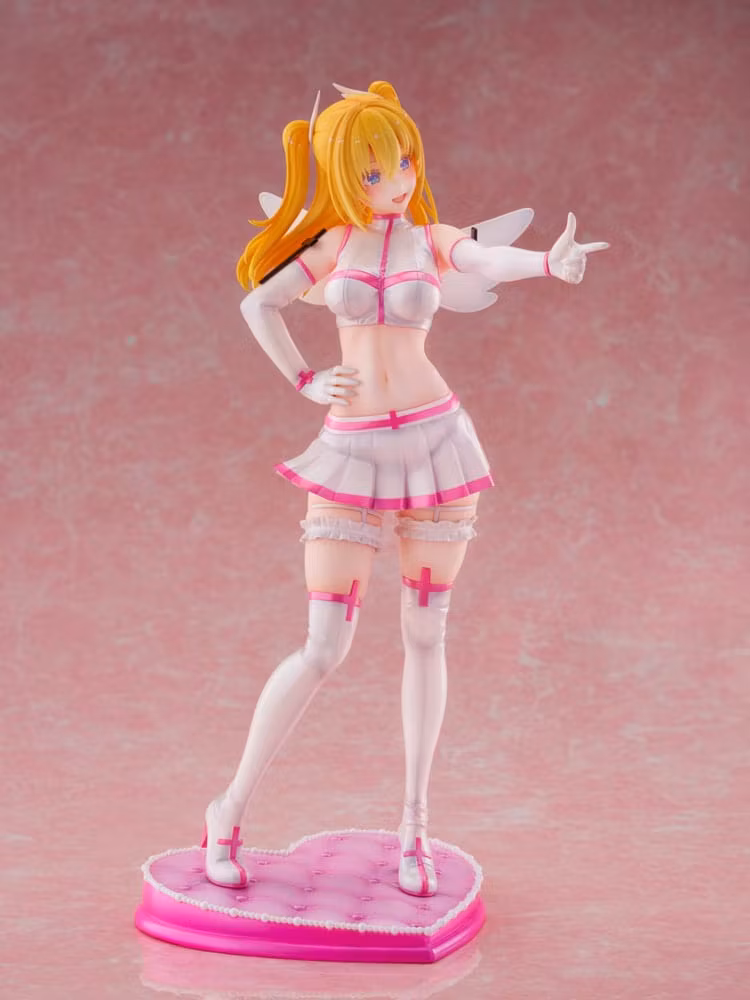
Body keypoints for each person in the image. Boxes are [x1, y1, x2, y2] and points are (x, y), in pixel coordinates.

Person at [203, 80, 608, 897]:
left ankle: (414, 828)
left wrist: (547, 263)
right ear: (344, 175)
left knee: (426, 634)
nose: (395, 178)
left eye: (403, 161)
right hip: (350, 454)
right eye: (374, 168)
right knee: (324, 646)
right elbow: (259, 303)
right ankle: (227, 809)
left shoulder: (430, 239)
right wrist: (305, 379)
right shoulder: (331, 246)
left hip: (437, 447)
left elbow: (483, 258)